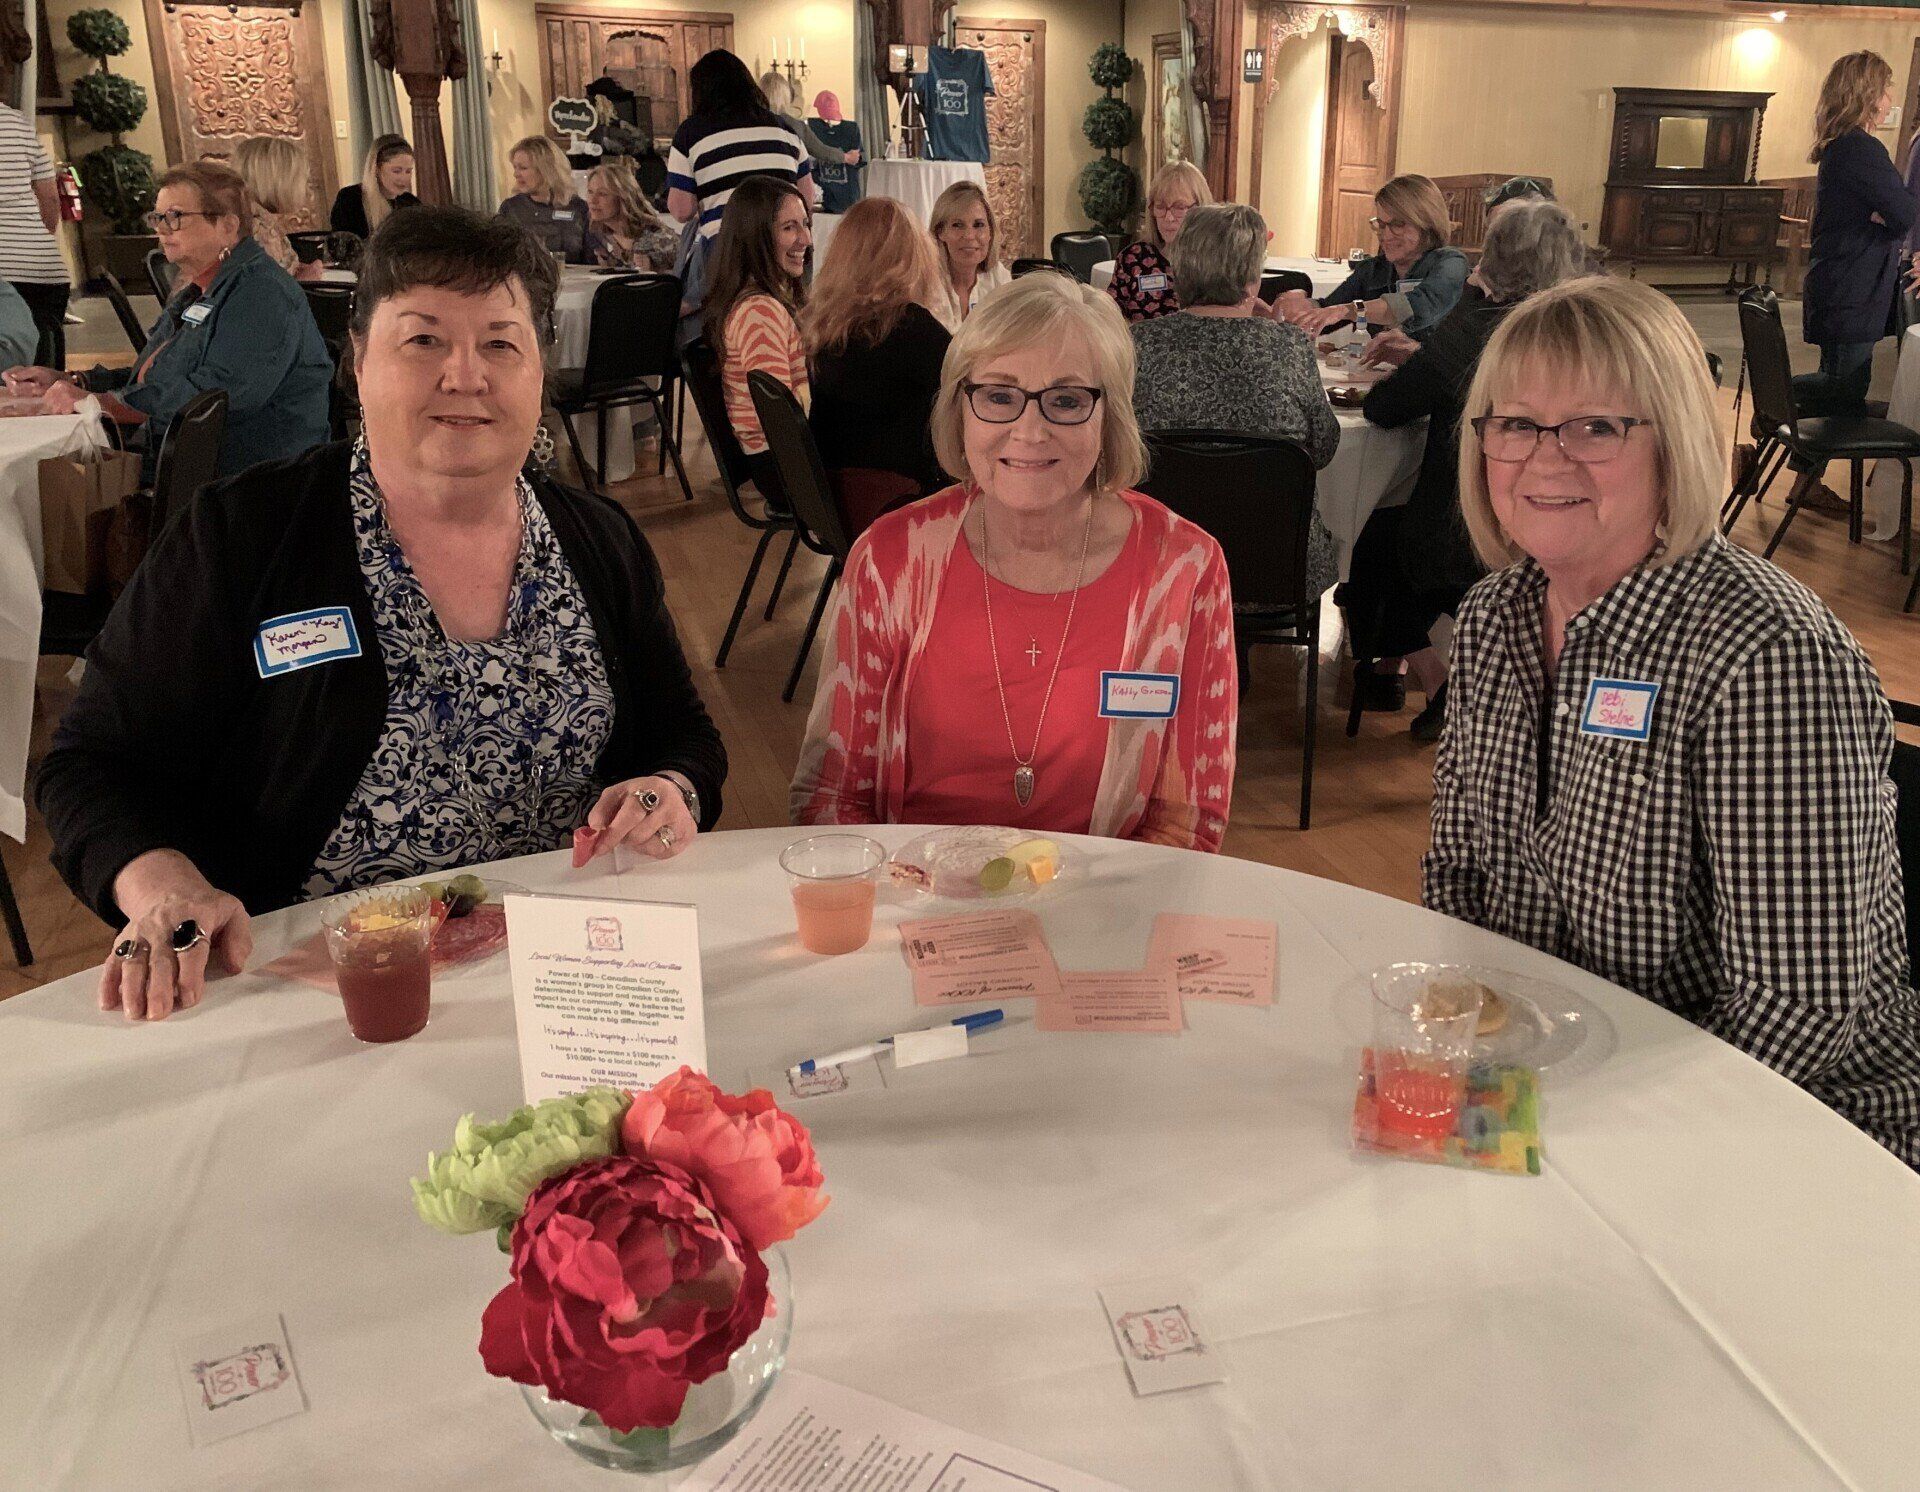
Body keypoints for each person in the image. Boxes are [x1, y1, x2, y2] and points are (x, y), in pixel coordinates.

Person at [37, 207, 728, 1023]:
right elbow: (88, 765)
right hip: (319, 998)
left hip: (575, 984)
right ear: (359, 361)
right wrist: (165, 886)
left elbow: (684, 738)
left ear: (540, 370)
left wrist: (667, 789)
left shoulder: (599, 538)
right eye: (424, 340)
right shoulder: (246, 533)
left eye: (501, 343)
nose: (464, 375)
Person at [1426, 274, 1920, 1168]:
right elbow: (1459, 878)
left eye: (1597, 426)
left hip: (1790, 1136)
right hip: (1556, 1089)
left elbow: (1799, 1009)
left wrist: (1570, 1136)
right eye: (1516, 423)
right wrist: (1484, 1079)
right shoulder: (1497, 618)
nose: (1545, 457)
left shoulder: (1766, 655)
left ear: (1675, 442)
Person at [791, 272, 1238, 850]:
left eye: (1068, 400)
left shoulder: (1184, 571)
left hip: (1103, 912)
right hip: (915, 904)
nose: (1030, 430)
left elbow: (1186, 819)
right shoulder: (892, 559)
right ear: (962, 410)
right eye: (999, 396)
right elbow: (833, 797)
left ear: (1111, 418)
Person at [1341, 200, 1593, 741]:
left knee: (1369, 548)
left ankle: (1440, 684)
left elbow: (1386, 408)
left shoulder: (1481, 327)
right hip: (1565, 528)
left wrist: (1467, 306)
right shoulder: (1581, 332)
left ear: (1497, 261)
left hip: (1468, 528)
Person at [2, 162, 330, 479]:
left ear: (227, 226)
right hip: (191, 467)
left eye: (175, 217)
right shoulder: (201, 287)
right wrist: (76, 381)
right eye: (158, 217)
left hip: (246, 484)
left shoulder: (260, 292)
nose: (161, 229)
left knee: (40, 483)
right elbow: (160, 375)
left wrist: (99, 403)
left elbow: (215, 396)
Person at [1130, 202, 1340, 601]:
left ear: (1180, 270)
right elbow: (1323, 447)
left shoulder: (1139, 344)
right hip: (1276, 565)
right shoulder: (1288, 346)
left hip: (1164, 561)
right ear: (1252, 278)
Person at [804, 196, 953, 527]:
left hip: (830, 498)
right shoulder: (912, 328)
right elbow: (965, 388)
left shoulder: (825, 326)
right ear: (911, 256)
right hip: (899, 501)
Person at [1799, 51, 1913, 418]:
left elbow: (1895, 212)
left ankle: (1806, 474)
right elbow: (1906, 213)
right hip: (1853, 285)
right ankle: (1776, 399)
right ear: (1867, 94)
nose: (1890, 100)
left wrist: (1889, 212)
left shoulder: (1843, 146)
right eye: (1886, 89)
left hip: (1842, 282)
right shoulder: (1861, 149)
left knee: (1837, 388)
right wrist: (1890, 213)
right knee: (1843, 389)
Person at [704, 175, 811, 495]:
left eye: (805, 223)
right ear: (756, 236)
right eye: (789, 227)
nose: (805, 238)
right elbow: (780, 420)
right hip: (785, 470)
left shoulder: (767, 298)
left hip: (782, 461)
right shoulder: (758, 312)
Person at [1279, 174, 1467, 341]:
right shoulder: (1373, 269)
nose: (1385, 235)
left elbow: (1419, 306)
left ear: (1426, 223)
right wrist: (1303, 307)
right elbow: (1329, 311)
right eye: (1381, 224)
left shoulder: (1451, 263)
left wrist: (1350, 310)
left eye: (1398, 224)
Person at [667, 49, 813, 242]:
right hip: (782, 244)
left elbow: (681, 210)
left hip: (727, 246)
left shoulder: (691, 133)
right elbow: (806, 199)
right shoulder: (784, 129)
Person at [0, 98, 72, 368]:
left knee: (14, 385)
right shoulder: (17, 122)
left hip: (4, 277)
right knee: (48, 374)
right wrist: (37, 243)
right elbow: (50, 199)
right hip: (45, 270)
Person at [1108, 160, 1210, 323]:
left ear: (1200, 208)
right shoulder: (1133, 258)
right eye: (1161, 207)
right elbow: (1110, 317)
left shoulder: (1215, 260)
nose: (1168, 218)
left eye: (1179, 207)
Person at [232, 135, 325, 282]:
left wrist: (298, 268)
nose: (307, 189)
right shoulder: (259, 229)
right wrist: (307, 279)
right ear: (279, 181)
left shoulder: (254, 218)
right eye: (302, 179)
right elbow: (270, 294)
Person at [499, 135, 594, 264]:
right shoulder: (511, 208)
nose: (516, 174)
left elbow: (591, 258)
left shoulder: (579, 207)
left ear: (546, 170)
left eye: (523, 168)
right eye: (515, 167)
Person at [929, 179, 1009, 328]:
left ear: (990, 232)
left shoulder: (999, 278)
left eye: (978, 225)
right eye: (958, 225)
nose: (969, 236)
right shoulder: (925, 284)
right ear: (940, 232)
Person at [584, 159, 679, 270]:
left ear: (623, 197)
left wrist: (651, 269)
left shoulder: (658, 239)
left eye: (602, 194)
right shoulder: (598, 234)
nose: (592, 200)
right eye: (590, 192)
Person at [759, 71, 860, 175]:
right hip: (785, 180)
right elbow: (821, 150)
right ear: (785, 94)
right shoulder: (794, 125)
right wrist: (846, 157)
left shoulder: (749, 121)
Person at [330, 134, 418, 240]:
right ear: (376, 169)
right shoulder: (350, 199)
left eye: (408, 171)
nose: (404, 178)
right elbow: (343, 247)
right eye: (397, 171)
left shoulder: (411, 203)